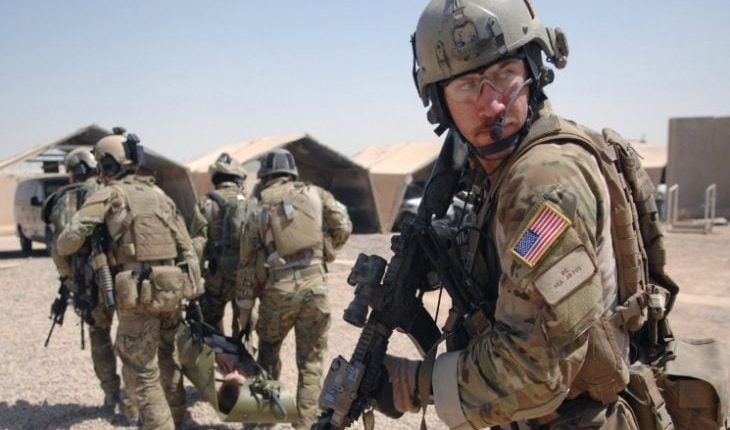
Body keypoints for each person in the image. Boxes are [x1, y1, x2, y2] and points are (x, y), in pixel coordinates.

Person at [374, 1, 668, 429]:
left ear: (533, 69)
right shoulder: (499, 169)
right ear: (439, 104)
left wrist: (414, 383)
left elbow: (536, 368)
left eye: (504, 74)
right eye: (466, 86)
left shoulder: (540, 180)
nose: (492, 104)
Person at [56, 128, 202, 430]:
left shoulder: (110, 195)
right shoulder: (160, 195)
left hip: (137, 295)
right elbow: (187, 247)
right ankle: (178, 418)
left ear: (107, 164)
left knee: (142, 371)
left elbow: (66, 242)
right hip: (171, 291)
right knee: (167, 357)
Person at [236, 148, 352, 429]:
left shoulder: (258, 205)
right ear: (291, 173)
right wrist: (325, 250)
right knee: (311, 364)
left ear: (265, 175)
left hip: (279, 291)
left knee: (267, 356)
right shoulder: (316, 193)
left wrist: (244, 312)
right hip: (316, 288)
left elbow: (247, 264)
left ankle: (263, 422)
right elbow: (343, 226)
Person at [45, 147, 132, 417]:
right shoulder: (116, 190)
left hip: (88, 280)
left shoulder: (67, 198)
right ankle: (133, 396)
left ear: (77, 170)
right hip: (124, 274)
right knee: (131, 332)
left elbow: (60, 247)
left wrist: (68, 278)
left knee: (99, 333)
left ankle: (111, 394)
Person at [199, 152, 251, 336]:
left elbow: (197, 244)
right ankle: (244, 351)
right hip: (243, 275)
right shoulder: (248, 202)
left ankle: (218, 352)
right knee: (243, 324)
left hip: (216, 276)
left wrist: (197, 277)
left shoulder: (206, 203)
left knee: (211, 321)